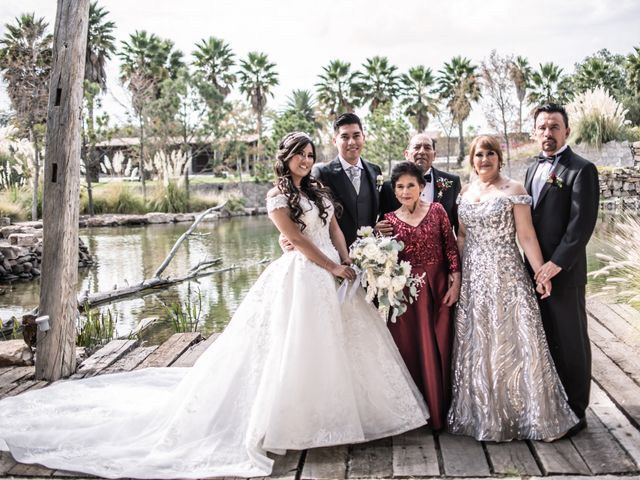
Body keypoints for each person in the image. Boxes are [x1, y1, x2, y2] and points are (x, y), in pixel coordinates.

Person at [0, 132, 428, 479]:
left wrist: (346, 260)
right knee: (297, 348)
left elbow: (332, 227)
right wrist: (329, 268)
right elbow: (295, 241)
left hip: (336, 271)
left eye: (310, 154)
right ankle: (296, 424)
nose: (306, 159)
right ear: (287, 158)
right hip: (302, 275)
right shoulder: (276, 198)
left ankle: (349, 418)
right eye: (300, 154)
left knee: (346, 346)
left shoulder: (317, 190)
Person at [447, 135, 578, 442]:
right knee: (478, 342)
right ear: (472, 159)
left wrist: (540, 274)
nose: (484, 159)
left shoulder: (514, 190)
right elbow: (462, 237)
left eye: (490, 153)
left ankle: (526, 414)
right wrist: (458, 274)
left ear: (499, 158)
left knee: (513, 339)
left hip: (506, 274)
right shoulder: (465, 192)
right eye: (479, 154)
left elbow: (527, 236)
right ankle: (482, 413)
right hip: (474, 279)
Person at [525, 103, 599, 435]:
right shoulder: (530, 169)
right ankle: (553, 402)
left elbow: (581, 226)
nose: (548, 133)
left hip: (564, 274)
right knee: (546, 338)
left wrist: (555, 265)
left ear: (566, 131)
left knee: (571, 341)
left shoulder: (581, 169)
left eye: (554, 126)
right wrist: (537, 267)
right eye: (542, 127)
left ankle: (577, 411)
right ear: (535, 132)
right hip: (535, 271)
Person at [383, 161, 461, 431]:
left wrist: (455, 283)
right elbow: (387, 261)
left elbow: (451, 249)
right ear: (394, 191)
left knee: (441, 344)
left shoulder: (437, 211)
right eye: (400, 187)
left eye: (411, 185)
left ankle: (445, 410)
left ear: (421, 187)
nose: (405, 191)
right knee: (413, 349)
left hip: (439, 288)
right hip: (407, 296)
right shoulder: (388, 221)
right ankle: (421, 416)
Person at [313, 112, 382, 246]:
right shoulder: (322, 173)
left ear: (364, 138)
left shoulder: (375, 171)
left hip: (372, 253)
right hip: (336, 254)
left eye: (356, 136)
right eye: (345, 137)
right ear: (335, 141)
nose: (351, 142)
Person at [378, 133, 461, 234]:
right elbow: (382, 224)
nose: (422, 151)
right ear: (406, 154)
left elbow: (459, 227)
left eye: (427, 147)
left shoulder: (451, 183)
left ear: (434, 155)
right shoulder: (389, 187)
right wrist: (377, 230)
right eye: (417, 147)